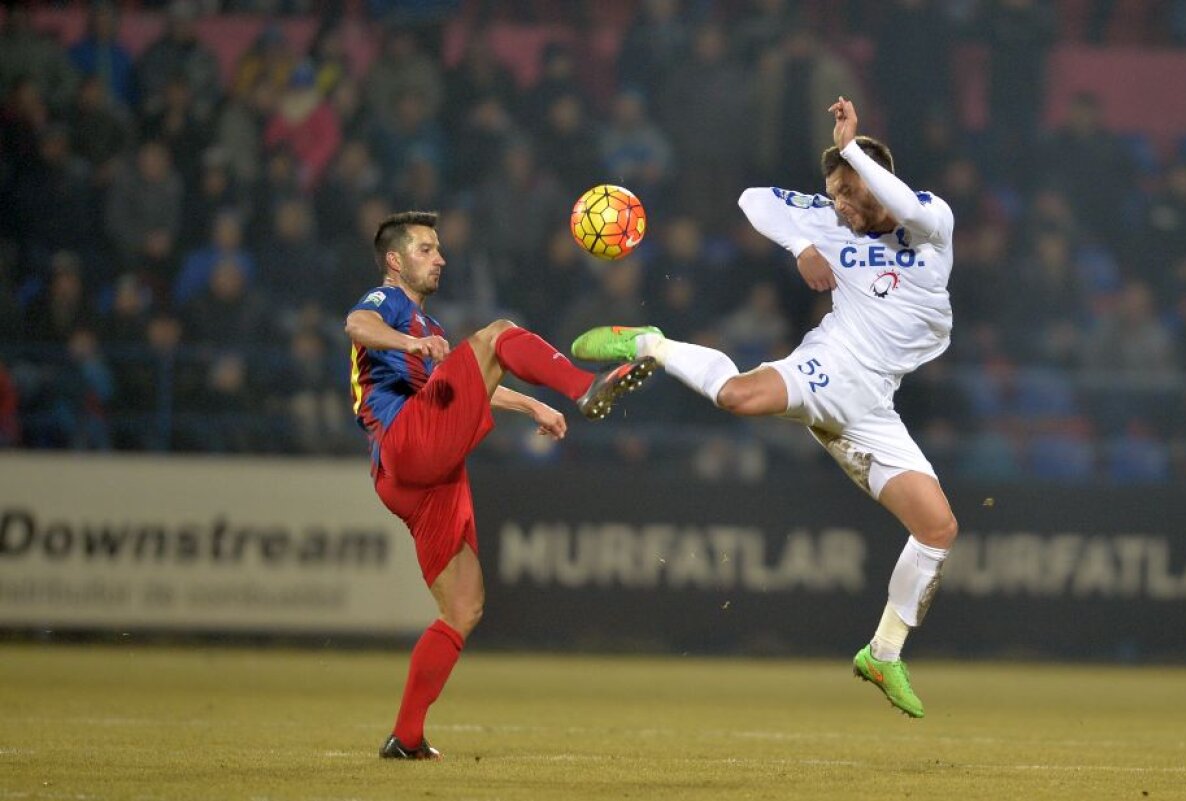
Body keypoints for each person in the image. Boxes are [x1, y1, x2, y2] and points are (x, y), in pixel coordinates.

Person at [572, 97, 958, 719]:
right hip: (834, 362)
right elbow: (754, 199)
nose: (842, 206)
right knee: (737, 396)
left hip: (874, 406)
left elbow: (905, 204)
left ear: (876, 179)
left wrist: (854, 148)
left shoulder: (931, 220)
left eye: (851, 194)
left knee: (937, 531)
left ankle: (882, 653)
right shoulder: (832, 223)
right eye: (833, 194)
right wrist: (804, 241)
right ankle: (648, 342)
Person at [346, 211, 655, 760]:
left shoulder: (434, 332)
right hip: (406, 444)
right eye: (425, 249)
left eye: (439, 248)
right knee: (501, 333)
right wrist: (409, 346)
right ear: (395, 261)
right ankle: (585, 387)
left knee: (463, 607)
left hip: (418, 478)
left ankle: (406, 736)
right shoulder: (387, 302)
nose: (439, 257)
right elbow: (355, 327)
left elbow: (475, 389)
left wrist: (533, 402)